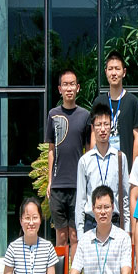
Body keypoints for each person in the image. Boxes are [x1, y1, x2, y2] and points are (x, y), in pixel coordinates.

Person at [46, 68, 90, 247]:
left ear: (78, 87)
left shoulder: (85, 115)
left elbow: (88, 151)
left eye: (72, 84)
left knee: (75, 234)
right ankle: (61, 267)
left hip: (77, 184)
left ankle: (75, 267)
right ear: (60, 89)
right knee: (61, 235)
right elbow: (51, 150)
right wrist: (49, 180)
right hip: (57, 185)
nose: (69, 88)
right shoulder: (53, 114)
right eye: (65, 84)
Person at [75, 104, 130, 231]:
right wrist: (80, 233)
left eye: (106, 124)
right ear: (93, 128)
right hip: (91, 224)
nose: (103, 129)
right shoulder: (85, 161)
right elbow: (80, 200)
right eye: (99, 125)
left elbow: (125, 198)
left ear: (111, 126)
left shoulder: (120, 158)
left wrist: (127, 229)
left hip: (115, 223)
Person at [95, 50, 138, 162]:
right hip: (103, 164)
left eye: (117, 69)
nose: (114, 73)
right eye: (110, 69)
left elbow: (137, 138)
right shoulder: (99, 102)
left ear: (124, 72)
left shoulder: (132, 102)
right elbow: (93, 134)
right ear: (106, 72)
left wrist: (134, 168)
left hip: (126, 165)